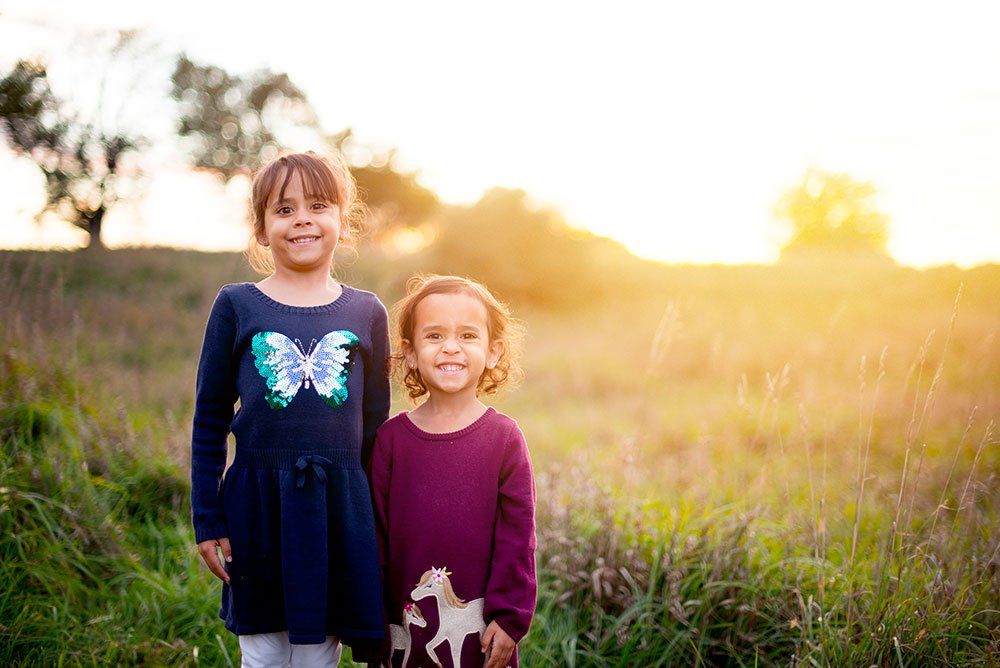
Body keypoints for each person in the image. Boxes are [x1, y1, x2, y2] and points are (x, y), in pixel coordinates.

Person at [190, 151, 390, 667]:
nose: (303, 217)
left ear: (342, 222)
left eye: (319, 204)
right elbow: (210, 420)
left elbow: (375, 428)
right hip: (255, 506)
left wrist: (371, 524)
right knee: (262, 654)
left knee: (318, 655)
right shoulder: (237, 305)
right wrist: (207, 520)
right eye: (284, 209)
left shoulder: (366, 312)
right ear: (261, 230)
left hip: (334, 509)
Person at [370, 275, 537, 668]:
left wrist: (510, 617)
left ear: (493, 351)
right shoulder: (390, 441)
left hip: (482, 632)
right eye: (434, 336)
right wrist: (370, 619)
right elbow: (373, 537)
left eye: (467, 335)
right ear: (409, 353)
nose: (450, 347)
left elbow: (519, 539)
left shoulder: (505, 439)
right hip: (403, 625)